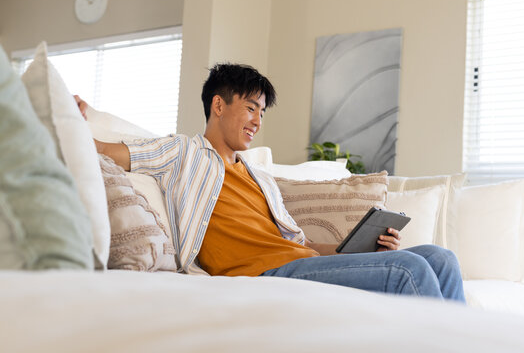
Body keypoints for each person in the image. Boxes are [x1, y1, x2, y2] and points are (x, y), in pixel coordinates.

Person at [76, 63, 465, 302]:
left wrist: (362, 248)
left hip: (299, 262)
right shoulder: (182, 153)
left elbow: (302, 245)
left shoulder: (259, 177)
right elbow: (106, 150)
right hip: (262, 274)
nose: (257, 121)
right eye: (250, 108)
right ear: (218, 105)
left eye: (261, 112)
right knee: (408, 271)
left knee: (440, 259)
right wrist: (73, 118)